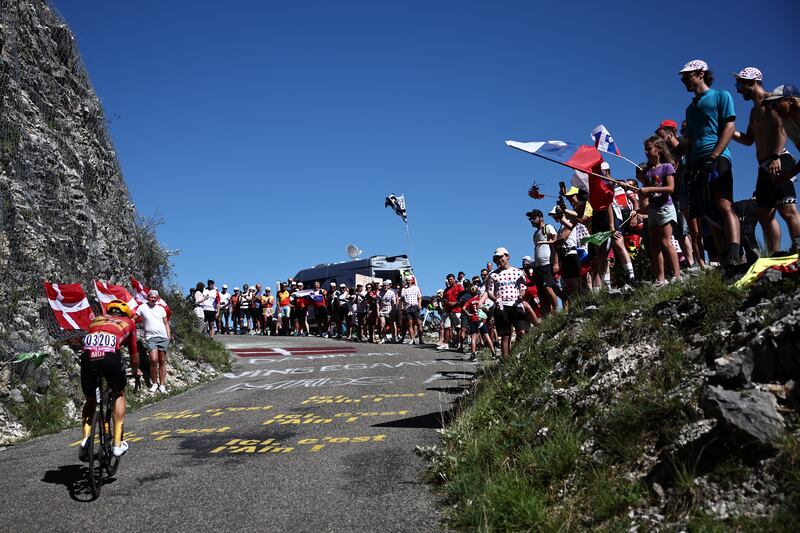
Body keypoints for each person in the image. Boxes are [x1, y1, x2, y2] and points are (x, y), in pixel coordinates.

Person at [679, 59, 741, 266]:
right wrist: (687, 167)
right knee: (707, 209)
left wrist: (714, 156)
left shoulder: (721, 95)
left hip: (717, 156)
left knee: (724, 203)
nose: (684, 80)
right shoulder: (690, 108)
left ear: (701, 74)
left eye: (687, 76)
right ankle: (724, 256)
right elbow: (689, 140)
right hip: (696, 162)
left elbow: (729, 127)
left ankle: (734, 250)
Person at [733, 71, 800, 255]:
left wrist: (776, 156)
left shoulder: (774, 100)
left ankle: (798, 247)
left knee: (787, 209)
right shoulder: (754, 111)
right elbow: (748, 140)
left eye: (740, 85)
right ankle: (775, 255)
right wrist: (730, 132)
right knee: (763, 213)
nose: (738, 91)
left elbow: (783, 129)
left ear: (753, 82)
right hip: (763, 165)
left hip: (779, 160)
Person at [78, 300, 139, 460]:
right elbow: (134, 355)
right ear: (125, 312)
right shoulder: (129, 323)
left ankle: (85, 438)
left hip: (88, 357)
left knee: (90, 400)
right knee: (119, 393)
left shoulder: (96, 320)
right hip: (110, 356)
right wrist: (135, 370)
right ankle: (117, 444)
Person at [640, 136, 682, 286]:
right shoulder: (647, 172)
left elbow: (671, 188)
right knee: (654, 244)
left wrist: (649, 189)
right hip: (653, 209)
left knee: (666, 241)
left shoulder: (666, 167)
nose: (646, 152)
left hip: (665, 207)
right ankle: (660, 278)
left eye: (649, 148)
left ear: (658, 150)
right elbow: (645, 193)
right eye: (645, 149)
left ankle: (677, 276)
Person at [484, 247, 528, 359]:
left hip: (516, 304)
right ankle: (505, 362)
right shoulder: (493, 274)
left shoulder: (518, 272)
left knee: (522, 332)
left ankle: (513, 354)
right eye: (496, 258)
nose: (499, 260)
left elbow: (523, 287)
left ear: (507, 256)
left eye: (501, 257)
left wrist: (521, 295)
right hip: (502, 306)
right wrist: (496, 300)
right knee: (505, 336)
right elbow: (489, 291)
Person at [135, 289, 171, 393]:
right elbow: (134, 318)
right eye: (151, 297)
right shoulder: (142, 307)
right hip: (151, 337)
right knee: (154, 360)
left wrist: (168, 335)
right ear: (148, 297)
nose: (153, 299)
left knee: (162, 361)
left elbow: (166, 323)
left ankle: (162, 385)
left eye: (155, 298)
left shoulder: (161, 309)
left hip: (163, 336)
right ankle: (155, 383)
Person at [527, 209, 559, 313]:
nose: (531, 220)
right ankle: (546, 315)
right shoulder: (535, 233)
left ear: (541, 217)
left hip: (547, 263)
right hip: (538, 266)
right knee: (541, 292)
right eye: (530, 218)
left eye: (534, 217)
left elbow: (555, 244)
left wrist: (556, 262)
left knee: (548, 288)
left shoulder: (548, 227)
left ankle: (555, 311)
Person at [462, 283, 495, 359]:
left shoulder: (470, 300)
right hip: (481, 319)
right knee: (487, 336)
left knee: (474, 336)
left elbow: (463, 308)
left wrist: (469, 314)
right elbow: (487, 308)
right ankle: (493, 353)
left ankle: (473, 355)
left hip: (473, 319)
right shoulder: (481, 300)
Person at [438, 274, 464, 350]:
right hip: (448, 311)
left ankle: (460, 344)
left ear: (454, 279)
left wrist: (455, 303)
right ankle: (446, 343)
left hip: (457, 310)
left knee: (458, 328)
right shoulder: (446, 290)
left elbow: (463, 298)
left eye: (451, 279)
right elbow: (444, 299)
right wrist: (446, 302)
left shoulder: (459, 287)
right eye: (449, 280)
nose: (450, 281)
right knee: (446, 327)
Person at [400, 276, 422, 344]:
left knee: (418, 323)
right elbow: (402, 299)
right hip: (407, 307)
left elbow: (419, 297)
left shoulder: (416, 288)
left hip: (415, 306)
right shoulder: (404, 289)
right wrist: (402, 307)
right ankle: (412, 338)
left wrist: (419, 305)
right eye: (407, 280)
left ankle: (421, 339)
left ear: (412, 281)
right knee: (410, 323)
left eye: (409, 280)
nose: (408, 281)